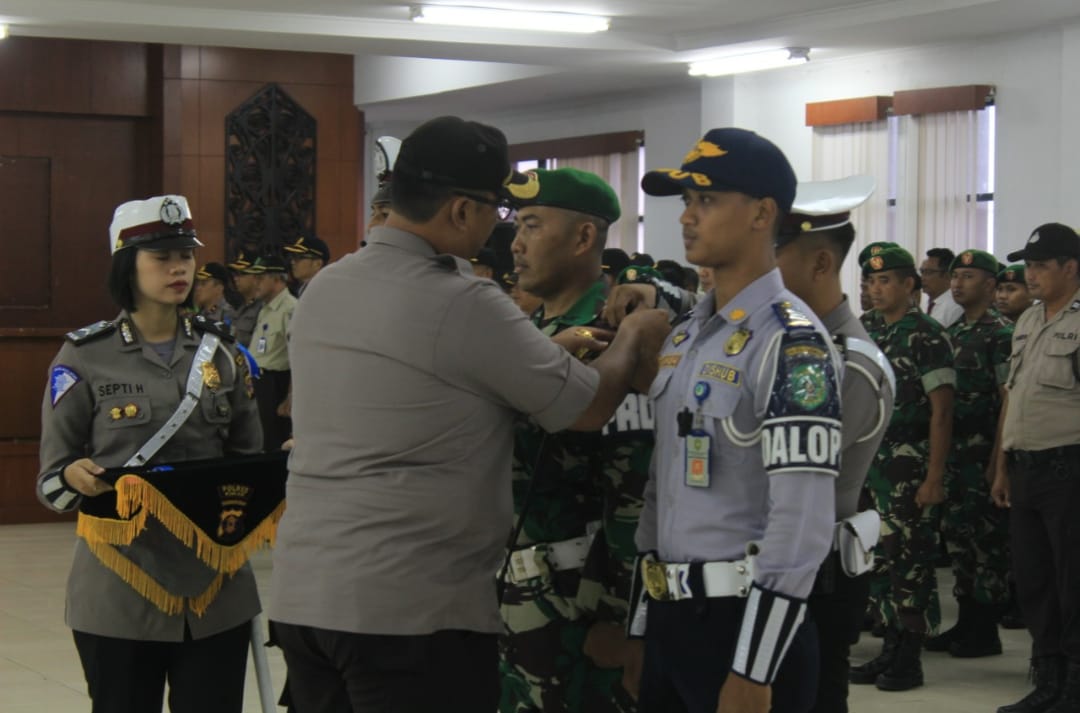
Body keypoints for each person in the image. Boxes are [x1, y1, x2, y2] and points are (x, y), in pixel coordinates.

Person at [268, 116, 670, 713]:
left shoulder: (328, 286)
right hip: (410, 615)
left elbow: (425, 383)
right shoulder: (461, 300)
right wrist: (635, 335)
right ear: (460, 211)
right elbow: (588, 407)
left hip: (306, 599)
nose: (503, 234)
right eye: (499, 213)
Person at [628, 127, 842, 713]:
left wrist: (755, 666)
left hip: (744, 624)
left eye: (707, 201)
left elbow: (801, 519)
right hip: (673, 619)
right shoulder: (688, 335)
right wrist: (642, 625)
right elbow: (661, 486)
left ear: (762, 213)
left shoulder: (792, 343)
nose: (688, 218)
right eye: (686, 203)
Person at [35, 194, 262, 713]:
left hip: (214, 591)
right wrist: (73, 476)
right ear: (126, 265)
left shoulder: (221, 353)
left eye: (185, 255)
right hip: (120, 586)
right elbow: (51, 480)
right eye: (161, 257)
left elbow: (248, 460)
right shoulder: (85, 356)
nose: (179, 267)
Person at [499, 167, 650, 713]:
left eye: (533, 225)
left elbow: (634, 490)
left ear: (585, 237)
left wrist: (618, 615)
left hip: (573, 603)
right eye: (518, 226)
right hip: (512, 592)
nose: (516, 243)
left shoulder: (613, 341)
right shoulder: (532, 333)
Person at [772, 176, 895, 713]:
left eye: (769, 256)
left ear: (820, 265)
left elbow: (777, 475)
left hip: (816, 577)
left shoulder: (845, 363)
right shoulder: (789, 344)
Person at [851, 246, 954, 692]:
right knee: (876, 561)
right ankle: (889, 646)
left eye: (886, 281)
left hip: (907, 466)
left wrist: (933, 477)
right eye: (871, 282)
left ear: (909, 286)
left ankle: (909, 657)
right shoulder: (865, 329)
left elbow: (942, 413)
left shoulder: (927, 335)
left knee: (909, 563)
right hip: (868, 464)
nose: (875, 290)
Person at [992, 223, 1080, 713]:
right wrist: (1003, 466)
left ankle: (1073, 687)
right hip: (1026, 469)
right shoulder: (1025, 322)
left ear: (1071, 267)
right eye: (1028, 265)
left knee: (1073, 583)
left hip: (1070, 468)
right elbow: (1013, 396)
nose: (1032, 275)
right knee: (1034, 581)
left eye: (1042, 265)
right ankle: (1046, 678)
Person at [921, 249, 1011, 659]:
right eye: (955, 276)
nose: (958, 283)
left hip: (982, 457)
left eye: (969, 276)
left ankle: (984, 630)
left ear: (991, 286)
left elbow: (1007, 399)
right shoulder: (953, 334)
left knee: (985, 545)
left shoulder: (1001, 334)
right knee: (957, 540)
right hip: (955, 456)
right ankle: (966, 621)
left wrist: (998, 460)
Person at [248, 255, 296, 451]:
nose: (255, 283)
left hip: (277, 385)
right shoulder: (266, 308)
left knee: (274, 442)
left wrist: (291, 396)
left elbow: (297, 358)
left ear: (277, 279)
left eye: (260, 278)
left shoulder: (290, 309)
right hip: (259, 383)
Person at [226, 251, 263, 347]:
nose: (235, 278)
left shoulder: (262, 307)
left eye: (241, 274)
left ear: (255, 277)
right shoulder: (241, 307)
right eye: (235, 274)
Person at [921, 248, 964, 327]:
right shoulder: (931, 304)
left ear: (947, 276)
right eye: (922, 272)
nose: (922, 278)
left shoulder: (954, 306)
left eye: (928, 272)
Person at [193, 262, 241, 328]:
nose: (198, 288)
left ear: (219, 287)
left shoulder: (227, 314)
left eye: (203, 283)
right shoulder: (200, 314)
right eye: (198, 284)